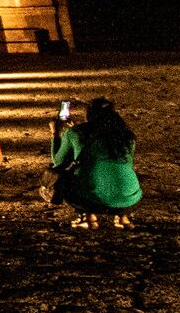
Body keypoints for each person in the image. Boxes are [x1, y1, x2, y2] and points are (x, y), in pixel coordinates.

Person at [49, 97, 146, 229]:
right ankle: (123, 217)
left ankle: (87, 216)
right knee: (116, 170)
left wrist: (56, 134)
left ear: (89, 115)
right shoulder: (127, 136)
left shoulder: (76, 132)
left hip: (89, 198)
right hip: (130, 199)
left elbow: (58, 162)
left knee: (65, 177)